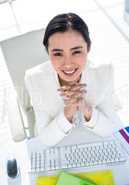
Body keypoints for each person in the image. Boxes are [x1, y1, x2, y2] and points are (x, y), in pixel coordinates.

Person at [24, 13, 122, 146]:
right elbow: (46, 139)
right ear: (48, 52)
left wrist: (85, 108)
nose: (68, 64)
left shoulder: (104, 71)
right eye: (58, 54)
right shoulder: (34, 79)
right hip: (59, 147)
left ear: (88, 48)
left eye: (76, 51)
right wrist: (68, 111)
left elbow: (113, 129)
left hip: (97, 143)